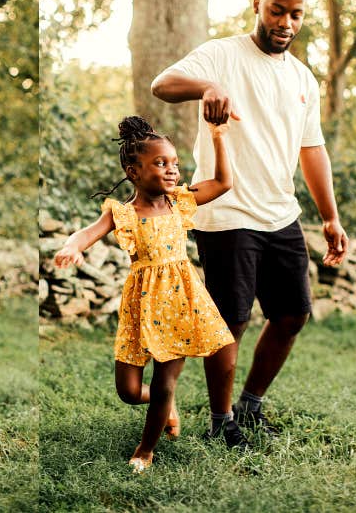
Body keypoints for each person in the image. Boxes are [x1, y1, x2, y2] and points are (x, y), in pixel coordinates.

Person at [150, 0, 348, 449]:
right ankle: (221, 420)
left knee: (293, 315)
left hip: (281, 213)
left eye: (296, 14)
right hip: (226, 211)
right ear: (257, 5)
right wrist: (208, 87)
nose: (285, 23)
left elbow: (312, 149)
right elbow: (163, 86)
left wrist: (329, 216)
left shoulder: (303, 77)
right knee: (231, 320)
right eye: (277, 10)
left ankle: (251, 404)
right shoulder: (220, 55)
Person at [53, 116, 236, 473]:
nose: (171, 170)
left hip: (181, 301)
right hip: (141, 305)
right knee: (129, 391)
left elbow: (224, 182)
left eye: (174, 164)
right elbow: (86, 233)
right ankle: (163, 405)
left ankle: (145, 449)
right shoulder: (123, 214)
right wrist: (72, 246)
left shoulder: (180, 202)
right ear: (133, 170)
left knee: (165, 381)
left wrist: (218, 137)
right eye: (160, 163)